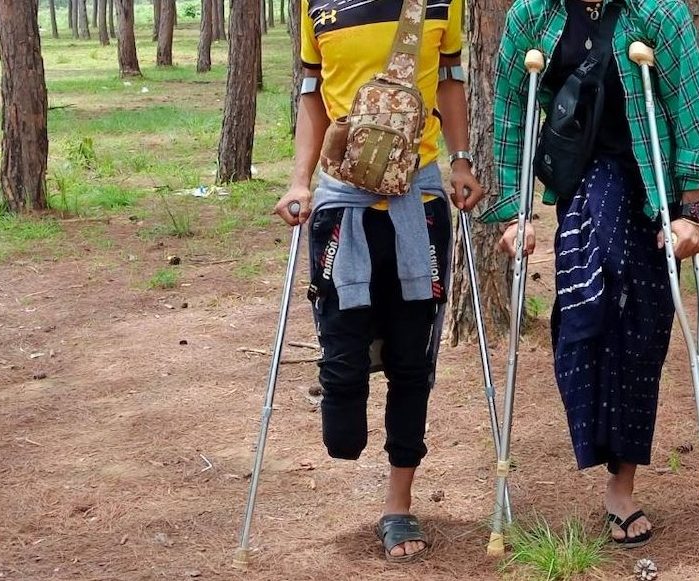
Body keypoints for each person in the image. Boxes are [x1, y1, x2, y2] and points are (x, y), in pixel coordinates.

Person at [480, 0, 699, 547]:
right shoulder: (533, 15)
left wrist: (693, 213)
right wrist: (513, 209)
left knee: (641, 336)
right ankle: (597, 436)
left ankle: (622, 486)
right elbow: (510, 109)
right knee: (585, 313)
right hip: (581, 184)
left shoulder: (658, 13)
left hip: (649, 191)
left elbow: (690, 109)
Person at [274, 0, 483, 562]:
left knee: (412, 361)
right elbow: (313, 97)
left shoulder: (443, 4)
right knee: (342, 376)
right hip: (342, 203)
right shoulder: (315, 6)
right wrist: (299, 180)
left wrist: (460, 161)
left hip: (420, 200)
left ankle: (398, 504)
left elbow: (449, 82)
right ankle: (347, 407)